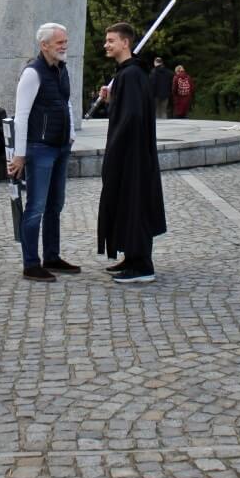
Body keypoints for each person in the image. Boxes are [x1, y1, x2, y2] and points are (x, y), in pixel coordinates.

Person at [7, 23, 81, 282]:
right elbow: (22, 116)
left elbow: (66, 103)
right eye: (59, 42)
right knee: (36, 206)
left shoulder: (62, 70)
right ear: (44, 45)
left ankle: (51, 256)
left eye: (65, 41)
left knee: (55, 205)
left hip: (61, 146)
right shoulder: (33, 73)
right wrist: (19, 154)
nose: (64, 45)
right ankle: (31, 263)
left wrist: (71, 133)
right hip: (40, 148)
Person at [97, 22, 167, 284]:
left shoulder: (132, 75)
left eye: (111, 40)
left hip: (132, 156)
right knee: (127, 204)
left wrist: (117, 148)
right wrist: (112, 101)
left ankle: (142, 266)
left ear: (125, 42)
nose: (106, 44)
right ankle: (132, 256)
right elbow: (127, 110)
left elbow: (133, 116)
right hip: (130, 153)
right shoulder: (128, 74)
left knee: (135, 204)